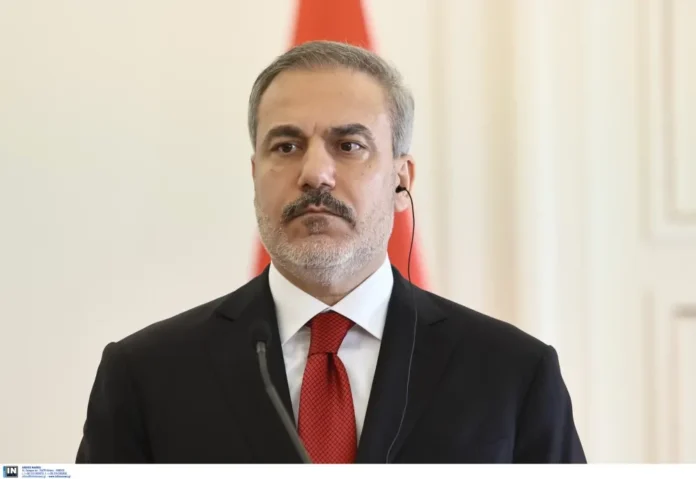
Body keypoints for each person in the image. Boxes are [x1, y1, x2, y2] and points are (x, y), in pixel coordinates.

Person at [76, 40, 586, 464]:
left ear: (401, 179)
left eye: (349, 146)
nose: (315, 174)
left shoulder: (513, 373)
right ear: (254, 175)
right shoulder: (147, 374)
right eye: (286, 146)